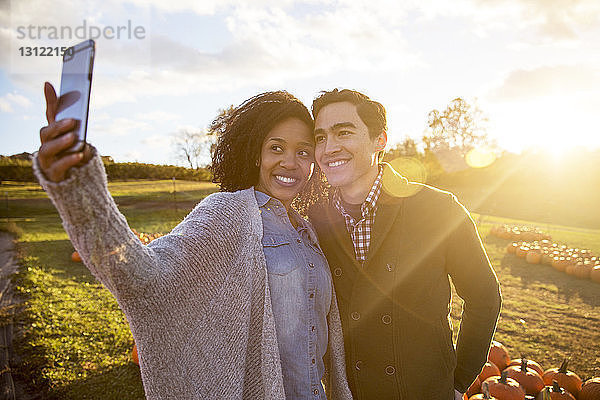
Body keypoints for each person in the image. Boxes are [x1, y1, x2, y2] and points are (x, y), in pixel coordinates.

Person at [34, 82, 353, 400]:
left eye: (303, 152)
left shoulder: (306, 231)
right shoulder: (228, 214)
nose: (290, 162)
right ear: (256, 154)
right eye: (276, 148)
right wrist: (78, 188)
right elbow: (140, 277)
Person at [307, 89, 502, 400]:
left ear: (380, 140)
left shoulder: (438, 209)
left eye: (344, 132)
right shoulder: (316, 218)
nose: (329, 148)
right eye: (320, 137)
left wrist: (458, 380)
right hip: (351, 392)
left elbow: (484, 297)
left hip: (424, 390)